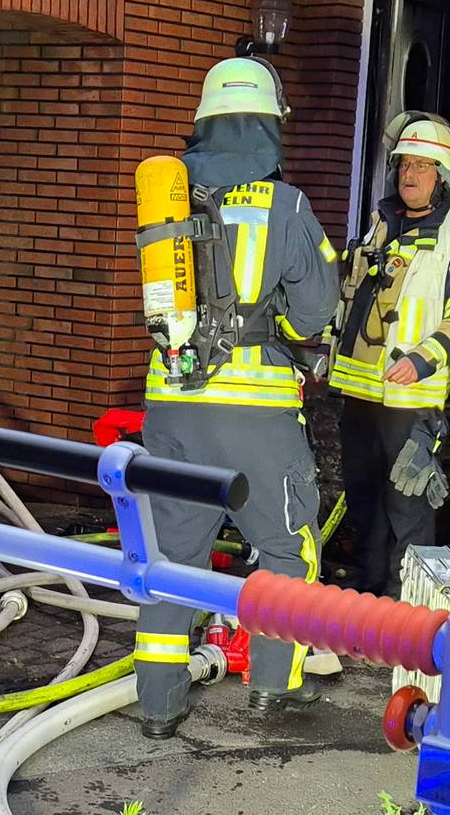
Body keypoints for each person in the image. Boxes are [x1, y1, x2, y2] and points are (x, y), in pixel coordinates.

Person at [134, 56, 340, 738]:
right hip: (254, 410)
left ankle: (159, 705)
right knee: (285, 548)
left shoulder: (170, 193)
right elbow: (314, 314)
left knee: (174, 553)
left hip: (170, 397)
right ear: (269, 126)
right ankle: (273, 687)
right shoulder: (287, 206)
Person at [329, 112, 450, 596]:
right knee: (364, 500)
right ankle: (367, 597)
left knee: (409, 503)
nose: (409, 175)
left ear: (444, 176)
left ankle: (406, 610)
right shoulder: (381, 223)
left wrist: (420, 360)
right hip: (359, 393)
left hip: (412, 399)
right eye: (404, 166)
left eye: (422, 166)